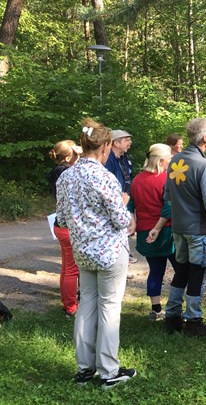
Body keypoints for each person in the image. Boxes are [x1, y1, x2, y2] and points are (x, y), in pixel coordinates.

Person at [55, 118, 137, 388]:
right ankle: (108, 371)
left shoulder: (65, 177)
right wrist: (127, 213)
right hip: (110, 252)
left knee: (87, 305)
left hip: (83, 252)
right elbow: (120, 220)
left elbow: (63, 220)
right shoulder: (105, 178)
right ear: (104, 147)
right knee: (110, 307)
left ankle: (84, 369)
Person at [163, 118, 206, 337]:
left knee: (182, 271)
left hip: (179, 228)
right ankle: (194, 320)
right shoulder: (204, 166)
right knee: (198, 274)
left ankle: (172, 316)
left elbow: (167, 197)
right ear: (205, 138)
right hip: (198, 229)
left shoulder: (175, 161)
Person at [127, 143, 179, 321]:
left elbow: (130, 204)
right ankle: (176, 307)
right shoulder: (166, 179)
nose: (172, 161)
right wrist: (157, 228)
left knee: (155, 270)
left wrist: (133, 222)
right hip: (165, 232)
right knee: (181, 270)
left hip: (144, 232)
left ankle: (156, 309)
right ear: (162, 160)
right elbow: (167, 209)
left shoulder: (137, 179)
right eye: (170, 159)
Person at [48, 140, 82, 317]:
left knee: (67, 267)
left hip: (61, 224)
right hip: (69, 226)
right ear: (69, 156)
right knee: (72, 269)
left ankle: (67, 302)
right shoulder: (67, 173)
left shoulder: (56, 171)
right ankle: (70, 307)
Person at [105, 128, 137, 266]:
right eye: (126, 140)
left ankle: (123, 261)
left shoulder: (123, 158)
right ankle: (117, 263)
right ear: (116, 143)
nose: (130, 142)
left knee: (125, 230)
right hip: (115, 201)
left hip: (125, 198)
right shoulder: (108, 160)